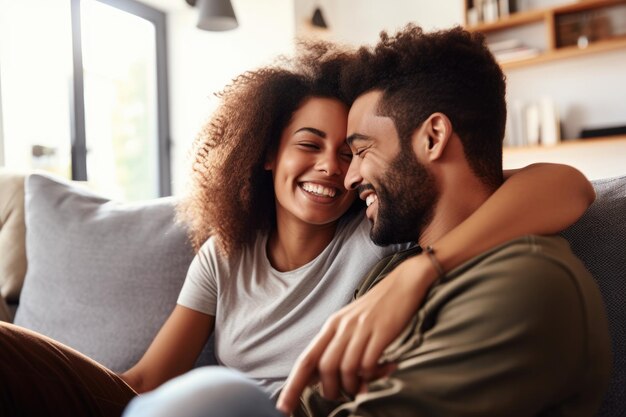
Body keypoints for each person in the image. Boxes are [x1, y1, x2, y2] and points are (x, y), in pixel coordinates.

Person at [0, 37, 596, 417]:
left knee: (215, 397)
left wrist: (421, 269)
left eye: (358, 149)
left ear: (432, 137)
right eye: (314, 146)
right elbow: (142, 382)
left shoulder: (383, 238)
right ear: (266, 154)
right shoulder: (381, 241)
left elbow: (566, 185)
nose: (344, 171)